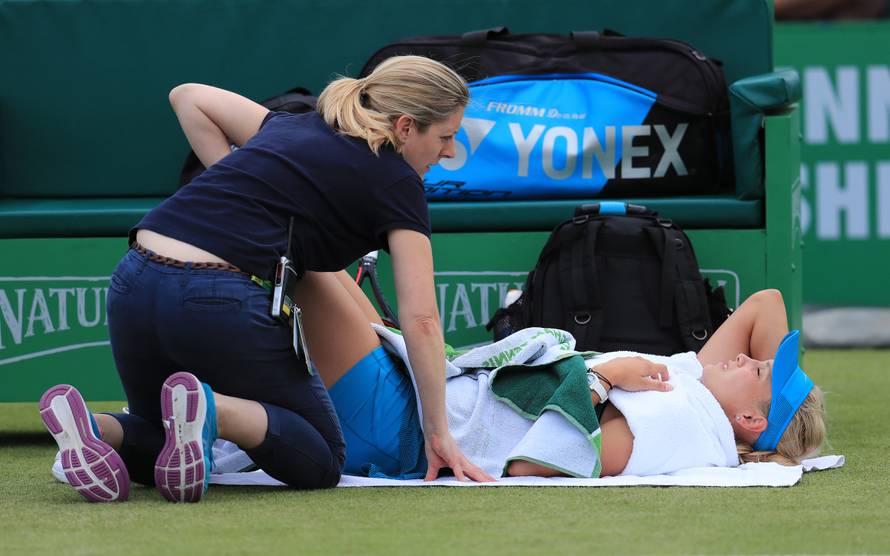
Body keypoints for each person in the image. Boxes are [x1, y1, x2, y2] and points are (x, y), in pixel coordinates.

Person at [38, 54, 492, 504]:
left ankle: (95, 428)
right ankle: (212, 408)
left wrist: (241, 189)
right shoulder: (398, 181)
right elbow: (422, 319)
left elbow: (189, 97)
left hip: (133, 277)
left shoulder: (294, 123)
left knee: (160, 437)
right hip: (214, 291)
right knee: (319, 458)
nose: (450, 152)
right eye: (446, 137)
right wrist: (438, 433)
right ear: (407, 127)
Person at [287, 274, 826, 479]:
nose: (749, 356)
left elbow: (533, 467)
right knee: (307, 243)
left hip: (398, 426)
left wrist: (605, 380)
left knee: (300, 257)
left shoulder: (681, 426)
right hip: (421, 390)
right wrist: (789, 409)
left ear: (751, 417)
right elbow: (766, 302)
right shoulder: (695, 386)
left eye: (758, 371)